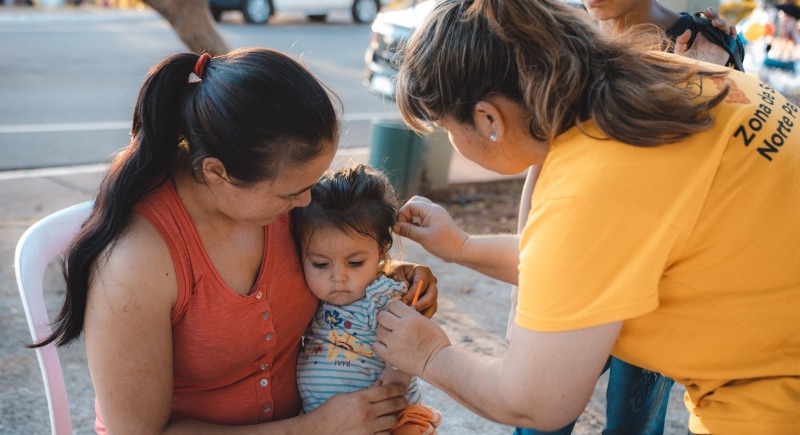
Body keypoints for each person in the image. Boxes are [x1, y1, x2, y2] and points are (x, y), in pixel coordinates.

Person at [373, 1, 800, 434]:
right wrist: (461, 247)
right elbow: (584, 257)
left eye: (448, 127)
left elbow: (535, 402)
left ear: (488, 119)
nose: (453, 139)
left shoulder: (594, 180)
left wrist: (430, 355)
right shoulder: (667, 77)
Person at [31, 48, 438, 434]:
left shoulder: (279, 205)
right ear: (216, 173)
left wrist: (388, 276)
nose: (306, 202)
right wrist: (314, 429)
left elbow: (333, 256)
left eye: (311, 184)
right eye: (291, 192)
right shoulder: (136, 263)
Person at [511, 1, 744, 434]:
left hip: (659, 280)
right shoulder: (570, 45)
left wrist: (702, 69)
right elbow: (542, 163)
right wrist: (525, 272)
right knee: (541, 417)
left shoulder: (711, 43)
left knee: (634, 421)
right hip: (578, 266)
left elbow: (731, 150)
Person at [291, 163, 442, 434]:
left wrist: (387, 406)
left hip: (383, 418)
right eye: (321, 265)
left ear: (382, 253)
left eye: (356, 263)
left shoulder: (382, 298)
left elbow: (404, 357)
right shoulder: (311, 297)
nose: (338, 278)